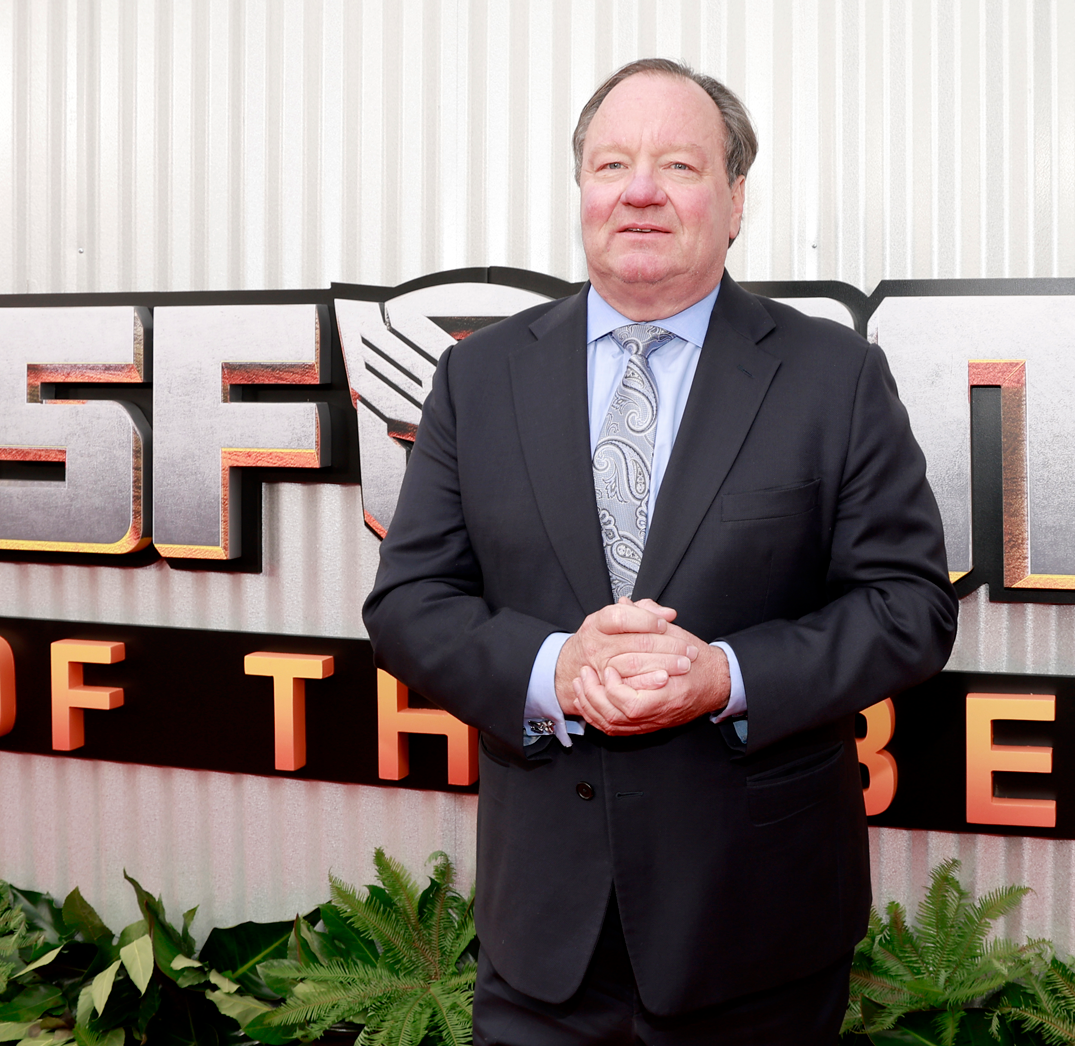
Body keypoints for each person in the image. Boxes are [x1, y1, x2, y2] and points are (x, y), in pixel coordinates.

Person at [363, 57, 956, 1044]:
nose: (639, 191)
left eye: (678, 164)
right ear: (583, 192)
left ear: (734, 200)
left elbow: (907, 607)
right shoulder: (479, 376)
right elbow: (411, 602)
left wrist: (722, 674)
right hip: (540, 944)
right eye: (612, 164)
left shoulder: (834, 377)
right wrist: (561, 669)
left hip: (756, 934)